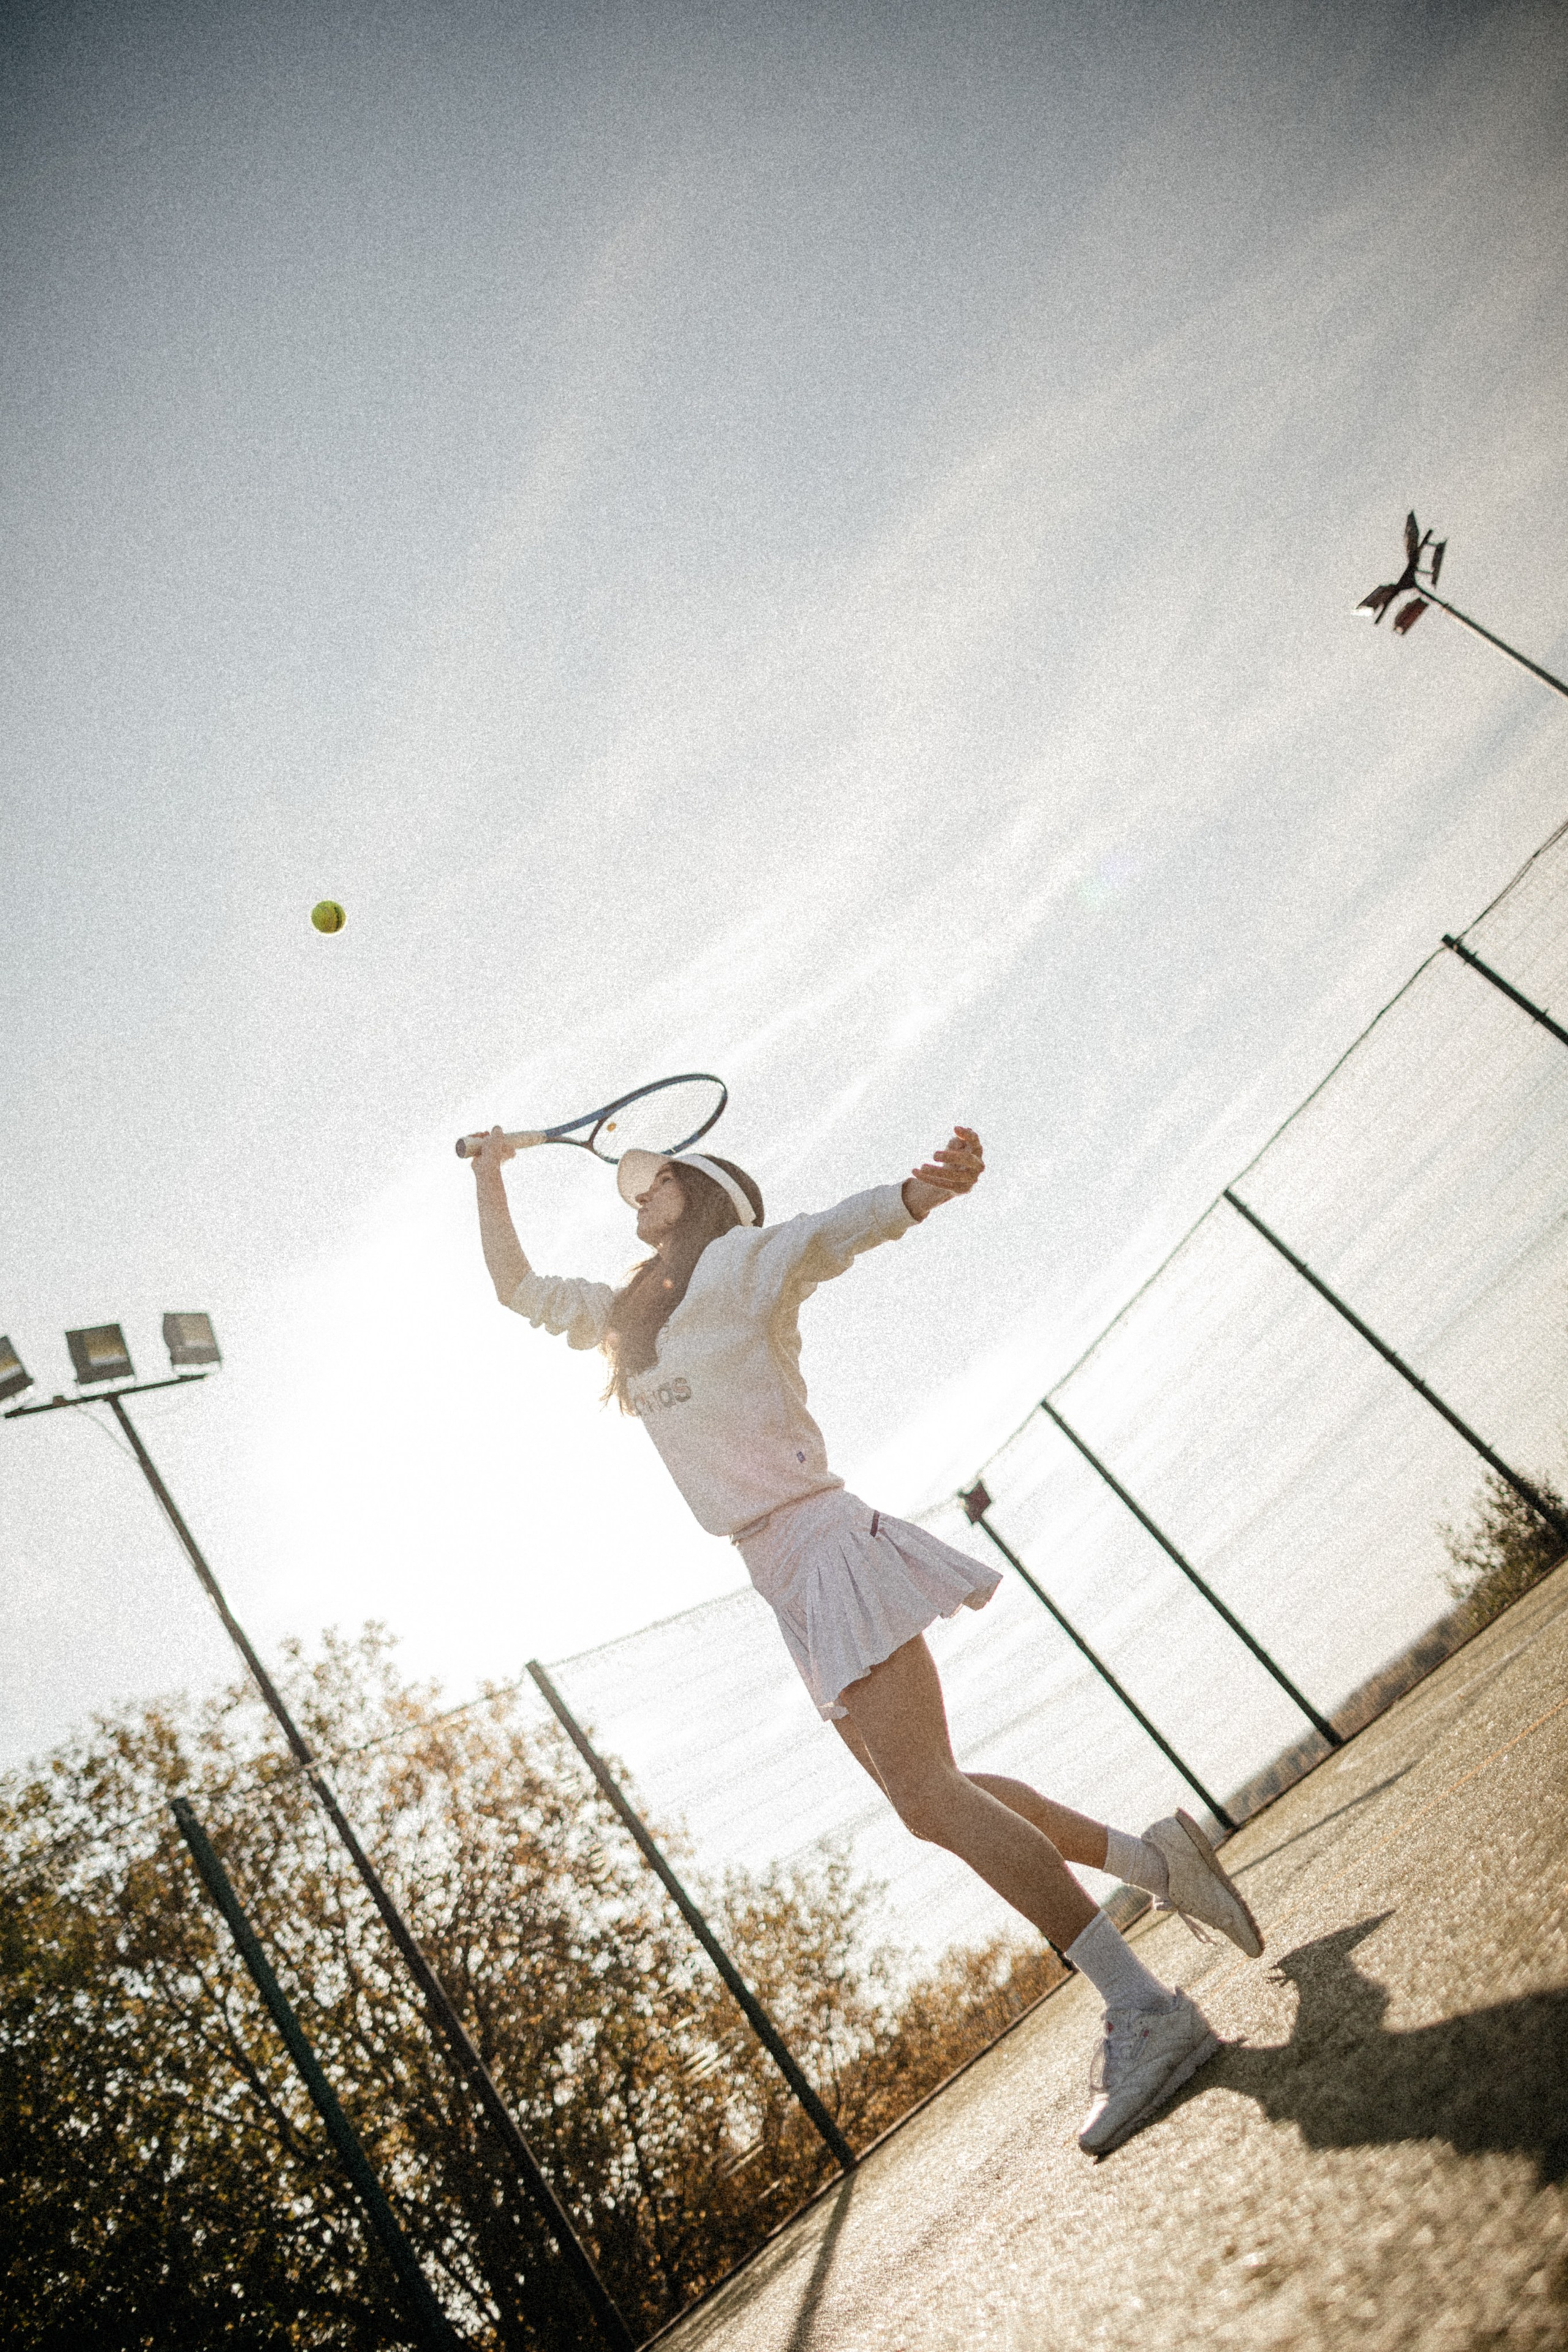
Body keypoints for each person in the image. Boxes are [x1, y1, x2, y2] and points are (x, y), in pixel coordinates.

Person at [467, 1121, 1261, 2155]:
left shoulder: (744, 1262)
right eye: (631, 1183)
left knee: (930, 1796)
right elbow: (515, 1288)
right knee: (930, 1796)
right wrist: (490, 1177)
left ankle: (1146, 2007)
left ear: (706, 1190)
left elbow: (834, 1233)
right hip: (777, 1575)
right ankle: (1155, 1863)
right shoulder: (628, 1315)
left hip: (822, 1540)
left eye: (655, 1176)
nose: (636, 1192)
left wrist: (920, 1193)